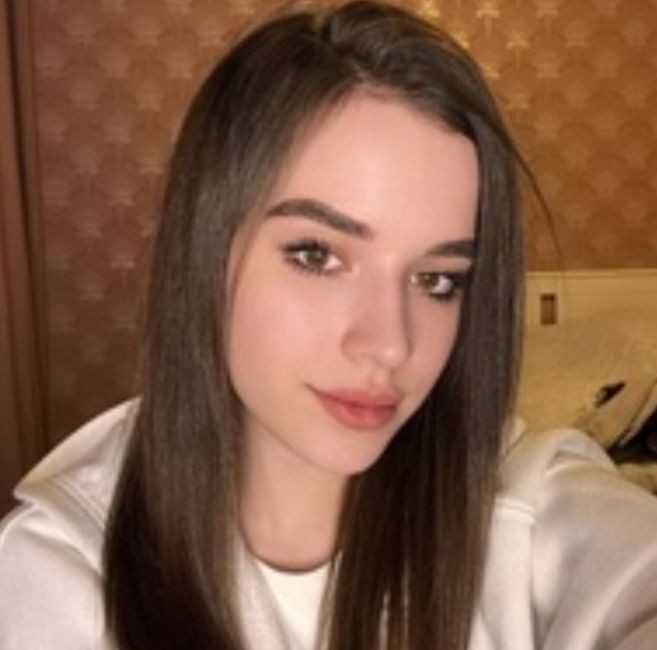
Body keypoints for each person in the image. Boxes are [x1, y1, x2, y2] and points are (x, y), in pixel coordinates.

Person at [1, 2, 657, 648]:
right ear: (205, 247)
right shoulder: (59, 573)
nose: (389, 344)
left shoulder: (520, 508)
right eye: (316, 255)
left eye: (437, 280)